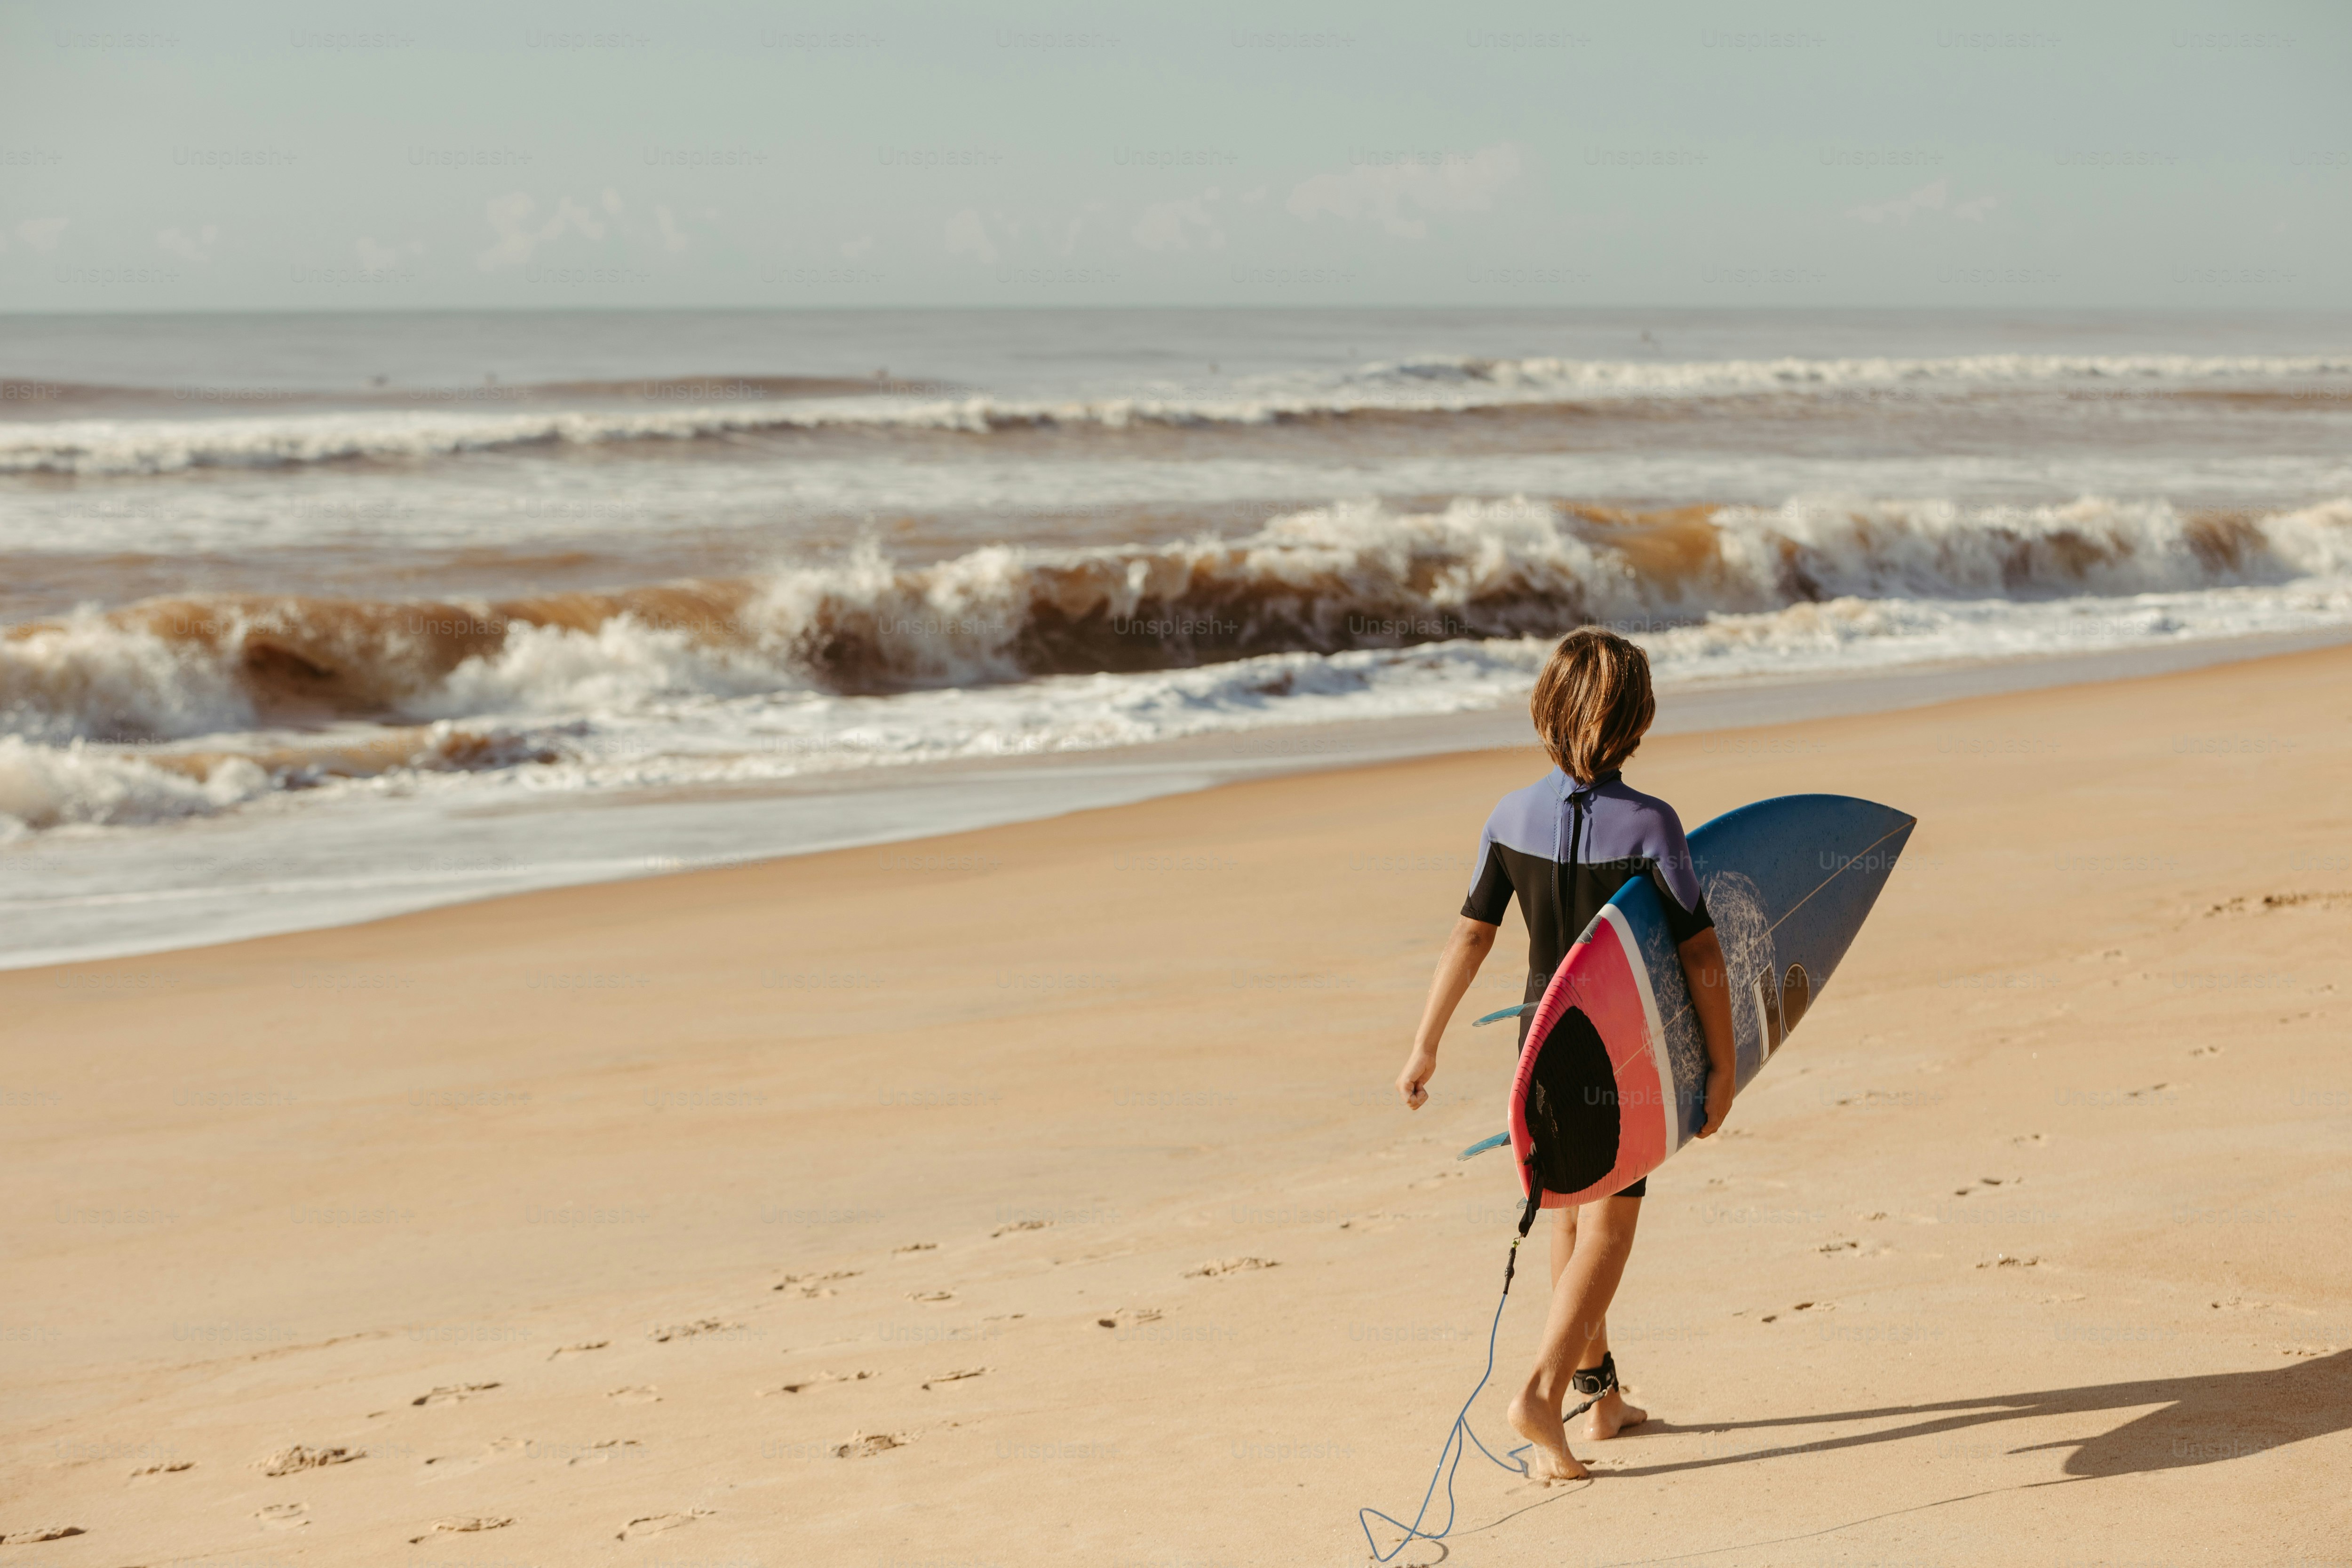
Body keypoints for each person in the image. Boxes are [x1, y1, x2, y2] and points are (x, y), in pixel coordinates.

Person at [1394, 627, 1736, 1482]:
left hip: (1536, 1044)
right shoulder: (1653, 824)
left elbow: (1471, 936)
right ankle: (1541, 1393)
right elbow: (1700, 956)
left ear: (1545, 711)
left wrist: (1425, 1042)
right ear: (1638, 719)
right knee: (1611, 1228)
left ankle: (1600, 1398)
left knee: (1567, 1213)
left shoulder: (1509, 815)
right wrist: (1724, 1067)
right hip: (1618, 1054)